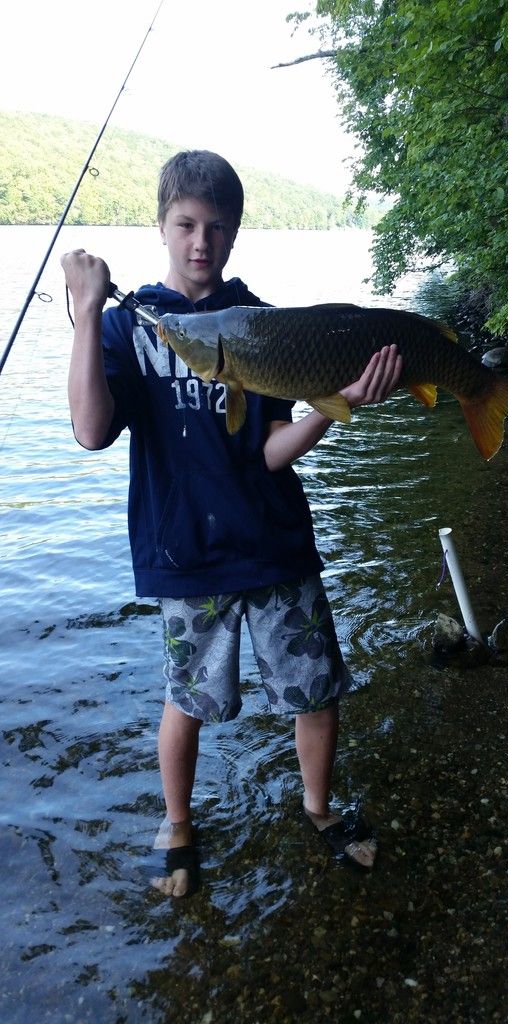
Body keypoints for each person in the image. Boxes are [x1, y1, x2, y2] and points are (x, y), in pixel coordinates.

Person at [61, 149, 402, 898]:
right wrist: (87, 314)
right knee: (186, 698)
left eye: (217, 226)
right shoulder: (131, 326)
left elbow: (273, 452)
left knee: (316, 689)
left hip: (276, 545)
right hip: (186, 555)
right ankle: (178, 823)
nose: (200, 242)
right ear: (161, 225)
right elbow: (90, 429)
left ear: (237, 231)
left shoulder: (262, 322)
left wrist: (333, 406)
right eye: (185, 224)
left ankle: (317, 808)